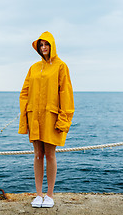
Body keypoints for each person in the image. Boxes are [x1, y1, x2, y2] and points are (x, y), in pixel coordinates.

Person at [18, 31, 75, 208]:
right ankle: (38, 194)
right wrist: (25, 118)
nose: (43, 47)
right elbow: (24, 93)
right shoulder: (34, 68)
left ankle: (49, 195)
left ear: (52, 46)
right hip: (34, 117)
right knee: (37, 155)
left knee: (50, 155)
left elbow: (66, 95)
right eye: (41, 45)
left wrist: (63, 121)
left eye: (46, 44)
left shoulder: (61, 66)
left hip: (52, 118)